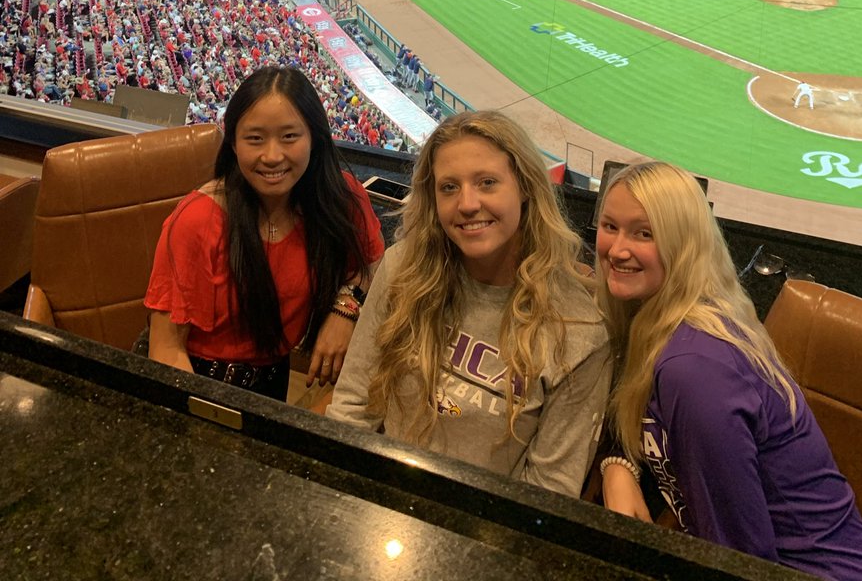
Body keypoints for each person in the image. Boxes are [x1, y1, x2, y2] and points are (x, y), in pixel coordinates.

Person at [595, 161, 862, 580]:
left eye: (645, 233)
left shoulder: (694, 371)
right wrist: (618, 466)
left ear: (683, 245)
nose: (618, 249)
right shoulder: (659, 322)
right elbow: (629, 404)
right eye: (609, 226)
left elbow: (738, 560)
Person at [328, 110, 611, 498]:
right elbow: (353, 407)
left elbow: (547, 492)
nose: (467, 203)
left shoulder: (580, 331)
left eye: (487, 182)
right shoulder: (402, 269)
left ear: (525, 187)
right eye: (448, 187)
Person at [145, 66, 385, 400]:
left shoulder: (339, 198)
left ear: (315, 137)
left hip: (272, 380)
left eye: (289, 136)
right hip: (195, 380)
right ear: (232, 143)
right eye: (255, 139)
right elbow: (167, 350)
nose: (272, 156)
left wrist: (345, 309)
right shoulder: (197, 220)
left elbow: (372, 263)